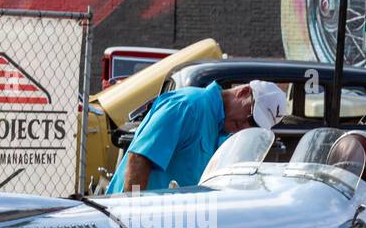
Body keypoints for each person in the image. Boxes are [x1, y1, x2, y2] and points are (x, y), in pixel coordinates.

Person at [107, 80, 287, 193]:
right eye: (250, 117)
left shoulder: (225, 131)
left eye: (254, 126)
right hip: (138, 225)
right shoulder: (188, 106)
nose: (245, 127)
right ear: (243, 92)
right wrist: (131, 210)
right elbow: (139, 158)